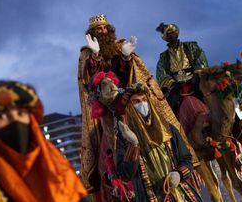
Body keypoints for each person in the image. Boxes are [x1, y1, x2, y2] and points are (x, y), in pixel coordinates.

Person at [77, 14, 195, 198]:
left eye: (105, 27)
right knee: (106, 138)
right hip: (108, 106)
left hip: (130, 95)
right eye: (98, 29)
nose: (102, 31)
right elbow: (90, 81)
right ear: (92, 33)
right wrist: (96, 55)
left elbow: (129, 75)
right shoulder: (87, 54)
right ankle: (115, 177)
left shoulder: (118, 46)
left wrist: (125, 57)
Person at [115, 83, 202, 202]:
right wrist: (133, 145)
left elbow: (186, 158)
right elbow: (125, 174)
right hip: (149, 196)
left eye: (144, 100)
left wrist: (179, 174)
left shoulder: (168, 128)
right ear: (129, 106)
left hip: (178, 194)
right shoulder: (125, 136)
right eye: (136, 102)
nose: (142, 104)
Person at [155, 23, 209, 114]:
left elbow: (200, 59)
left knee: (208, 97)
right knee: (169, 108)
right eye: (168, 34)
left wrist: (196, 76)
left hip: (194, 80)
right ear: (166, 38)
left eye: (173, 33)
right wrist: (172, 84)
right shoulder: (163, 56)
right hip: (176, 85)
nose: (171, 35)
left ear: (177, 34)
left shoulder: (191, 46)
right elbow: (161, 72)